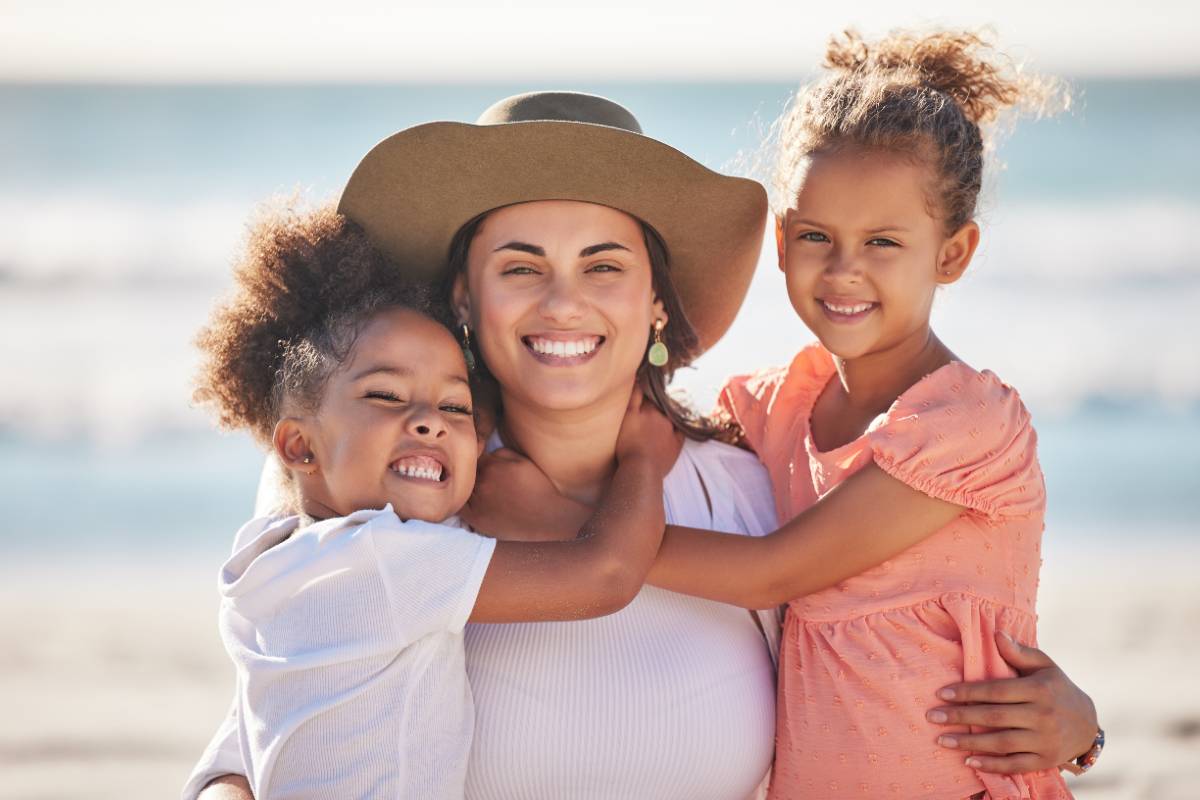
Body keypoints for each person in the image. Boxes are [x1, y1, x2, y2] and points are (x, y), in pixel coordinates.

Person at [188, 91, 1099, 800]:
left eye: (604, 266)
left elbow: (901, 650)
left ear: (655, 304)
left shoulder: (748, 493)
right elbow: (266, 725)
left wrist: (1077, 727)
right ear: (463, 301)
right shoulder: (411, 485)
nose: (562, 303)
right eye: (519, 267)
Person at [185, 204, 675, 799]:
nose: (428, 424)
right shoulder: (389, 559)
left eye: (455, 408)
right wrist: (643, 462)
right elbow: (607, 575)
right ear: (296, 445)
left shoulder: (270, 556)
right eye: (387, 395)